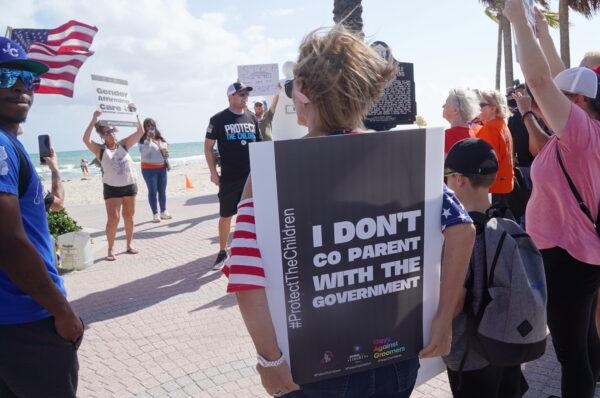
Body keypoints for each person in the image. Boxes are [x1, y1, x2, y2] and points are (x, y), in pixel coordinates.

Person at [222, 25, 475, 397]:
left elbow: (246, 276)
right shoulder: (402, 159)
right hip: (395, 359)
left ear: (304, 90)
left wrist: (270, 361)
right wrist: (443, 320)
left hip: (310, 369)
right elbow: (462, 228)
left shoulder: (269, 173)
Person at [505, 1, 600, 397]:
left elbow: (543, 82)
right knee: (584, 341)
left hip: (568, 257)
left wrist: (514, 19)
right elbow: (561, 78)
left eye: (562, 99)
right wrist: (541, 30)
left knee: (570, 354)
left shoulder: (580, 135)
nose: (549, 104)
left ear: (575, 104)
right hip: (579, 253)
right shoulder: (583, 131)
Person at [0, 36, 83, 397]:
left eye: (27, 78)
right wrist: (61, 311)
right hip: (25, 320)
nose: (20, 86)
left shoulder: (10, 143)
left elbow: (43, 208)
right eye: (5, 77)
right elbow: (9, 243)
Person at [443, 138, 529, 398]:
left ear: (459, 179)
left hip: (472, 354)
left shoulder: (460, 234)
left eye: (445, 176)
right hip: (508, 344)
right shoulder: (506, 219)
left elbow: (455, 301)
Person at [204, 82, 262, 270]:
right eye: (241, 94)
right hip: (229, 177)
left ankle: (253, 249)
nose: (245, 97)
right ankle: (222, 251)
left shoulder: (252, 118)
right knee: (226, 215)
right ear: (230, 97)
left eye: (246, 94)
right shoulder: (218, 119)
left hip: (251, 177)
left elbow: (260, 146)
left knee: (254, 214)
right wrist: (213, 172)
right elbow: (208, 146)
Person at [82, 110, 144, 261]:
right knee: (113, 219)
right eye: (107, 132)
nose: (111, 134)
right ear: (102, 136)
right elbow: (85, 139)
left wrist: (135, 116)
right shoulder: (100, 150)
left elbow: (140, 131)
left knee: (129, 216)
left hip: (129, 185)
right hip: (112, 188)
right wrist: (94, 118)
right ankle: (111, 249)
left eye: (112, 131)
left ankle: (129, 244)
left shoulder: (124, 144)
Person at [475, 90, 515, 201]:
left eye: (481, 105)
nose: (478, 108)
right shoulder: (502, 125)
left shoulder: (490, 128)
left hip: (493, 188)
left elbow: (487, 162)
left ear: (493, 108)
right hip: (505, 186)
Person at [139, 118, 171, 223]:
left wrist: (166, 153)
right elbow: (144, 154)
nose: (150, 128)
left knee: (162, 191)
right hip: (149, 169)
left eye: (152, 125)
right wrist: (148, 139)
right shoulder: (142, 141)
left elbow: (165, 152)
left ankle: (163, 212)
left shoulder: (161, 139)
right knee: (152, 191)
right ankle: (155, 214)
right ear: (144, 128)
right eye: (147, 126)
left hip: (162, 168)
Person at [442, 88, 478, 155]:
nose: (443, 107)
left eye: (446, 104)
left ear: (455, 110)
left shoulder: (446, 136)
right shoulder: (473, 134)